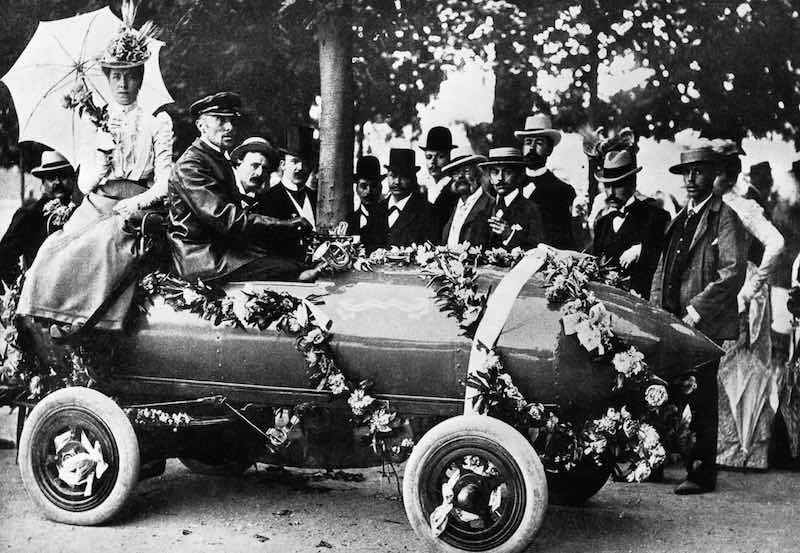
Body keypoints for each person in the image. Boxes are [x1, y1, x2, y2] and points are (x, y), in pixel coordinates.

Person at [16, 16, 174, 332]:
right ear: (108, 79)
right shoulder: (96, 122)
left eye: (130, 77)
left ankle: (86, 323)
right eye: (116, 77)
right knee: (53, 247)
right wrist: (102, 154)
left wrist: (137, 203)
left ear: (140, 79)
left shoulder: (158, 123)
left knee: (105, 243)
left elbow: (165, 182)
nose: (123, 84)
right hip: (97, 203)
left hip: (137, 204)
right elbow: (87, 184)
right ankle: (53, 316)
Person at [650, 146, 748, 494]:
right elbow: (664, 268)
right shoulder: (681, 217)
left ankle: (701, 472)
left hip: (702, 324)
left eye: (699, 172)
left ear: (713, 175)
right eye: (686, 173)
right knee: (666, 388)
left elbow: (733, 273)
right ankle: (654, 461)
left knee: (701, 394)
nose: (691, 180)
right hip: (673, 319)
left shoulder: (725, 217)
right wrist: (656, 310)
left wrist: (696, 309)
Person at [168, 92, 319, 283]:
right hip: (200, 258)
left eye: (231, 120)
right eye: (220, 120)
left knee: (292, 262)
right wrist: (284, 225)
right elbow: (225, 218)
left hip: (220, 251)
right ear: (201, 125)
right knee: (290, 269)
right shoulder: (191, 165)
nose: (229, 127)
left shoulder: (216, 159)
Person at [709, 139, 785, 469]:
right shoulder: (706, 208)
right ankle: (718, 447)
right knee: (717, 364)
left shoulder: (742, 206)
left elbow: (776, 243)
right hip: (715, 289)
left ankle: (743, 450)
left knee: (739, 366)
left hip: (740, 292)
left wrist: (751, 286)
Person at [590, 150, 669, 298]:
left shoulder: (655, 215)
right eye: (607, 186)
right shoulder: (602, 223)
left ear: (632, 182)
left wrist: (643, 248)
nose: (611, 192)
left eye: (617, 185)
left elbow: (666, 253)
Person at [0, 151, 77, 286]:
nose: (57, 182)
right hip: (39, 294)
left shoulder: (81, 213)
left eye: (63, 176)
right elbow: (5, 256)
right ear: (43, 182)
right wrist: (23, 285)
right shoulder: (30, 215)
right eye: (51, 178)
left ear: (73, 179)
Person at [514, 114, 575, 249]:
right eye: (528, 142)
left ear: (549, 149)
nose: (532, 148)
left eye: (539, 143)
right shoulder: (511, 185)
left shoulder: (562, 190)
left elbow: (564, 239)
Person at [255, 125, 317, 260]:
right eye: (295, 161)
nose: (300, 168)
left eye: (305, 162)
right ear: (282, 164)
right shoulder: (266, 200)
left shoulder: (316, 198)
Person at [479, 147, 543, 250]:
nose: (500, 178)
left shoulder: (532, 210)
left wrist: (510, 235)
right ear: (490, 178)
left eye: (507, 172)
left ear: (519, 176)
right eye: (495, 172)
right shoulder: (484, 209)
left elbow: (538, 249)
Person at [380, 148, 438, 247]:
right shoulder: (377, 209)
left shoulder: (427, 211)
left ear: (413, 178)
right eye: (393, 175)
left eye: (403, 176)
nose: (397, 182)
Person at [440, 154, 492, 248]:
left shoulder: (490, 205)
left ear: (478, 173)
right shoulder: (451, 207)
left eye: (466, 171)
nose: (460, 176)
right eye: (456, 173)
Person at [346, 156, 387, 253]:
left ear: (380, 188)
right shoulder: (350, 220)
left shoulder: (388, 217)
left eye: (373, 186)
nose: (368, 192)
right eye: (363, 186)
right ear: (356, 189)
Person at [420, 126, 458, 232]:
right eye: (429, 157)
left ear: (449, 157)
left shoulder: (455, 189)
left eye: (440, 156)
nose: (433, 162)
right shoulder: (423, 189)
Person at [231, 137, 279, 201]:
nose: (259, 173)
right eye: (255, 166)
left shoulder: (258, 199)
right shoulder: (225, 190)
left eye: (264, 169)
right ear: (239, 162)